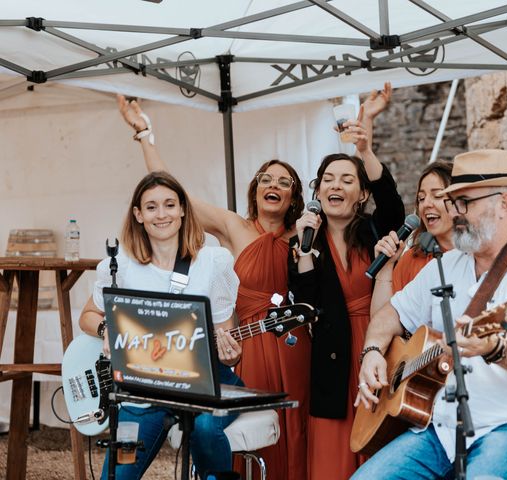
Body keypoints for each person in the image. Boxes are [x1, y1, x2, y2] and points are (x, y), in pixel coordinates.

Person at [117, 85, 392, 480]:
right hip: (241, 343)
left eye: (284, 181)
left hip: (293, 344)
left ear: (295, 195)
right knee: (235, 433)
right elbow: (176, 195)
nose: (273, 185)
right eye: (266, 178)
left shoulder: (305, 238)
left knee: (294, 433)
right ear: (256, 188)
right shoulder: (234, 227)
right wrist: (145, 135)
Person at [353, 149, 507, 480]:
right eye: (454, 203)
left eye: (465, 202)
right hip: (445, 432)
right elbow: (388, 315)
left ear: (504, 203)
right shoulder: (446, 265)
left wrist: (497, 349)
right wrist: (373, 352)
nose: (456, 213)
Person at [79, 171, 243, 480]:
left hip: (205, 382)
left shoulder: (213, 262)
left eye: (170, 204)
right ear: (138, 215)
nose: (162, 214)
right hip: (141, 387)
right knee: (118, 475)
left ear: (183, 210)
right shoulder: (121, 264)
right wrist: (107, 330)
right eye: (151, 207)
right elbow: (88, 315)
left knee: (206, 428)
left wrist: (230, 351)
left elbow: (230, 346)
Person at [288, 132, 405, 477]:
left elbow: (392, 203)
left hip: (377, 346)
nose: (334, 186)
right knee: (332, 454)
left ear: (362, 193)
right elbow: (305, 305)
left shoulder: (374, 231)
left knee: (378, 443)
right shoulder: (303, 241)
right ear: (317, 191)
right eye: (327, 180)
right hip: (330, 356)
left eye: (346, 179)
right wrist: (305, 253)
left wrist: (365, 150)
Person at [369, 160, 454, 315]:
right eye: (421, 198)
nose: (426, 204)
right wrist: (386, 268)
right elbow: (380, 322)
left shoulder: (477, 256)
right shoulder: (412, 259)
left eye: (437, 195)